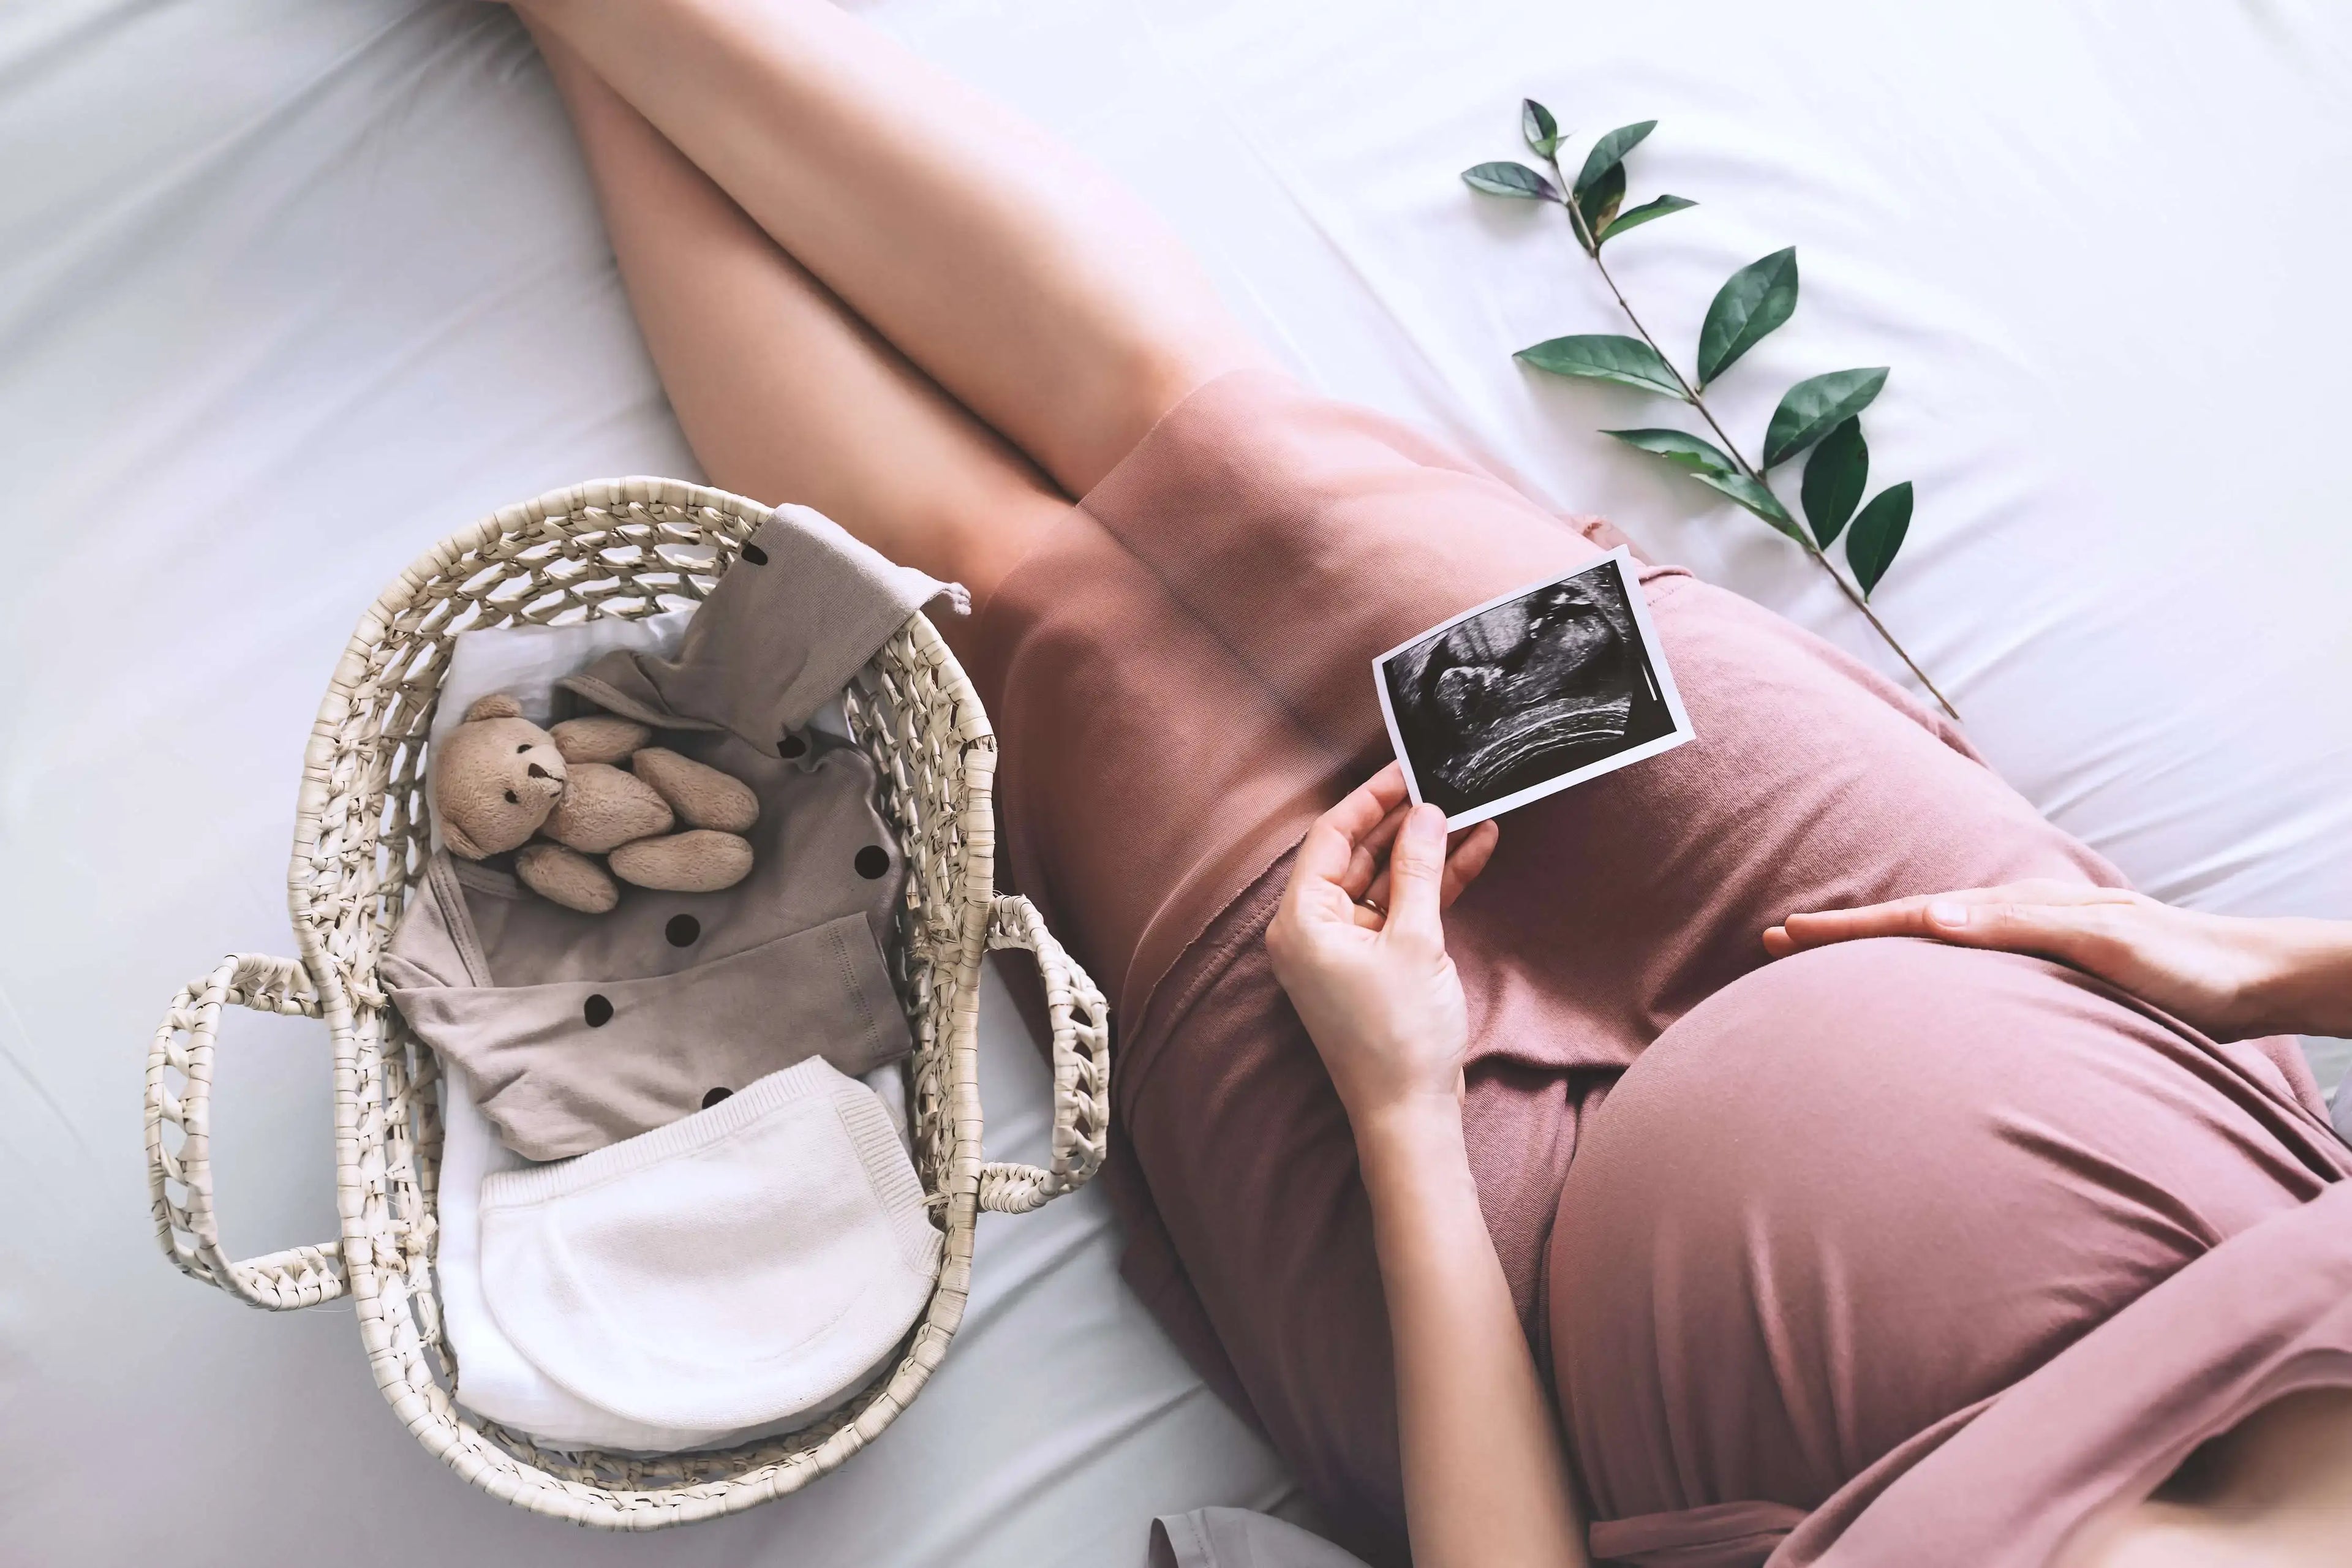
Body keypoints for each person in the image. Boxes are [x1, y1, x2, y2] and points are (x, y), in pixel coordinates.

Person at [498, 2, 2352, 1561]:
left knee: (1025, 619)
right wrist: (2252, 971)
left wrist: (1396, 1101)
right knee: (1234, 453)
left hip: (1501, 1276)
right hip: (1939, 950)